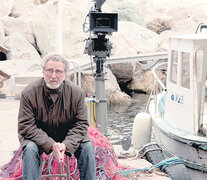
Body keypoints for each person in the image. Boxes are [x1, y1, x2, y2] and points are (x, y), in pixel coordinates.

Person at [17, 54, 96, 180]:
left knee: (87, 147)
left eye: (58, 71)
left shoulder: (76, 93)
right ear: (43, 71)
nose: (53, 76)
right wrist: (50, 144)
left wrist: (66, 144)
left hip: (67, 134)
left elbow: (81, 124)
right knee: (30, 149)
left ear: (65, 74)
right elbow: (25, 126)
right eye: (49, 70)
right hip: (38, 137)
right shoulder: (29, 92)